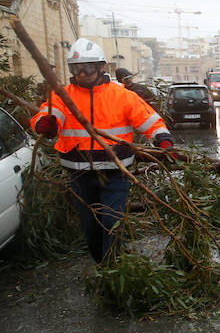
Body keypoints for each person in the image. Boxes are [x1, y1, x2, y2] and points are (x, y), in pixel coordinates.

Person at [31, 38, 175, 263]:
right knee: (90, 228)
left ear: (101, 67)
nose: (82, 74)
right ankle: (103, 264)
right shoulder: (63, 96)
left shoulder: (122, 96)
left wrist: (164, 142)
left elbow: (149, 121)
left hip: (115, 174)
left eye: (87, 68)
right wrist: (44, 124)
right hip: (78, 176)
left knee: (112, 223)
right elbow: (46, 115)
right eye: (76, 69)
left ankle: (113, 268)